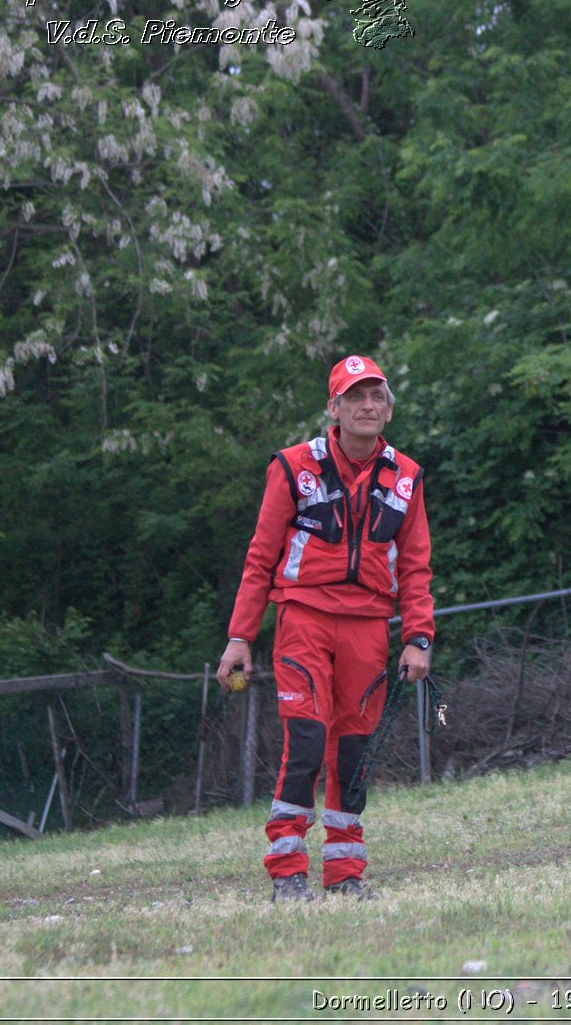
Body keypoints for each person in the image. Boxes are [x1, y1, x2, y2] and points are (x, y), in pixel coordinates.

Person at [217, 355, 434, 901]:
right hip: (303, 622)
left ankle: (344, 876)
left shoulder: (406, 476)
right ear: (333, 408)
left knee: (354, 753)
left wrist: (417, 637)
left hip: (368, 628)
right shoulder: (292, 466)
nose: (367, 406)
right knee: (308, 741)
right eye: (354, 396)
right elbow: (261, 556)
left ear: (388, 409)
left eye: (376, 396)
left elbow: (415, 563)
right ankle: (287, 868)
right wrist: (240, 636)